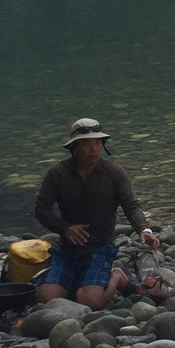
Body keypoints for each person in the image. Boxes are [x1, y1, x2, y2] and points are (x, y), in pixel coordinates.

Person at [34, 118, 160, 309]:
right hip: (68, 248)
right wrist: (65, 228)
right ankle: (79, 281)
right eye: (86, 144)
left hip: (99, 248)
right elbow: (41, 208)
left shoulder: (115, 173)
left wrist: (144, 230)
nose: (94, 149)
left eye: (98, 143)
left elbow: (132, 206)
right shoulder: (58, 173)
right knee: (46, 297)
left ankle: (116, 276)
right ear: (74, 147)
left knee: (90, 302)